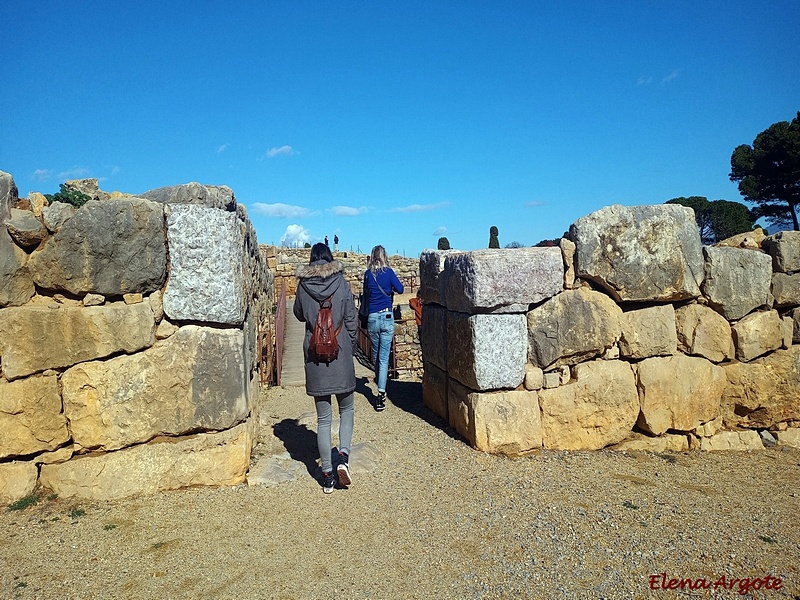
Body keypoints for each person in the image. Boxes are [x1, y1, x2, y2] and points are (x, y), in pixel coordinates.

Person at [293, 243, 357, 493]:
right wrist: (348, 346)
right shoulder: (341, 282)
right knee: (348, 409)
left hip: (314, 356)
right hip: (339, 353)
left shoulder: (303, 284)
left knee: (323, 419)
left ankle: (328, 474)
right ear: (330, 258)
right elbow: (351, 317)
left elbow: (299, 314)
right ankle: (343, 456)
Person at [363, 245, 404, 411]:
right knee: (384, 356)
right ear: (384, 256)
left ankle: (379, 381)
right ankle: (381, 393)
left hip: (372, 317)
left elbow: (366, 293)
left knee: (376, 353)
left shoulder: (367, 274)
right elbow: (401, 289)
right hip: (387, 316)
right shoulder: (389, 272)